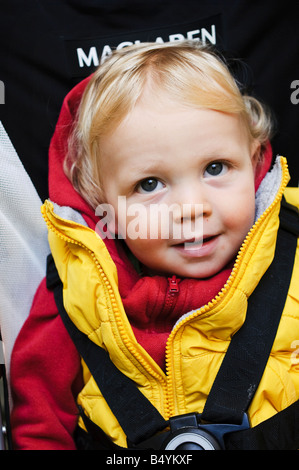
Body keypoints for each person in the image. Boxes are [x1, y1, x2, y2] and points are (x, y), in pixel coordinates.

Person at [10, 41, 299, 450]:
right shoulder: (75, 285)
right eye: (149, 184)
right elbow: (39, 421)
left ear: (253, 161)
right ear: (100, 200)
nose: (191, 208)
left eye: (215, 168)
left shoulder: (293, 247)